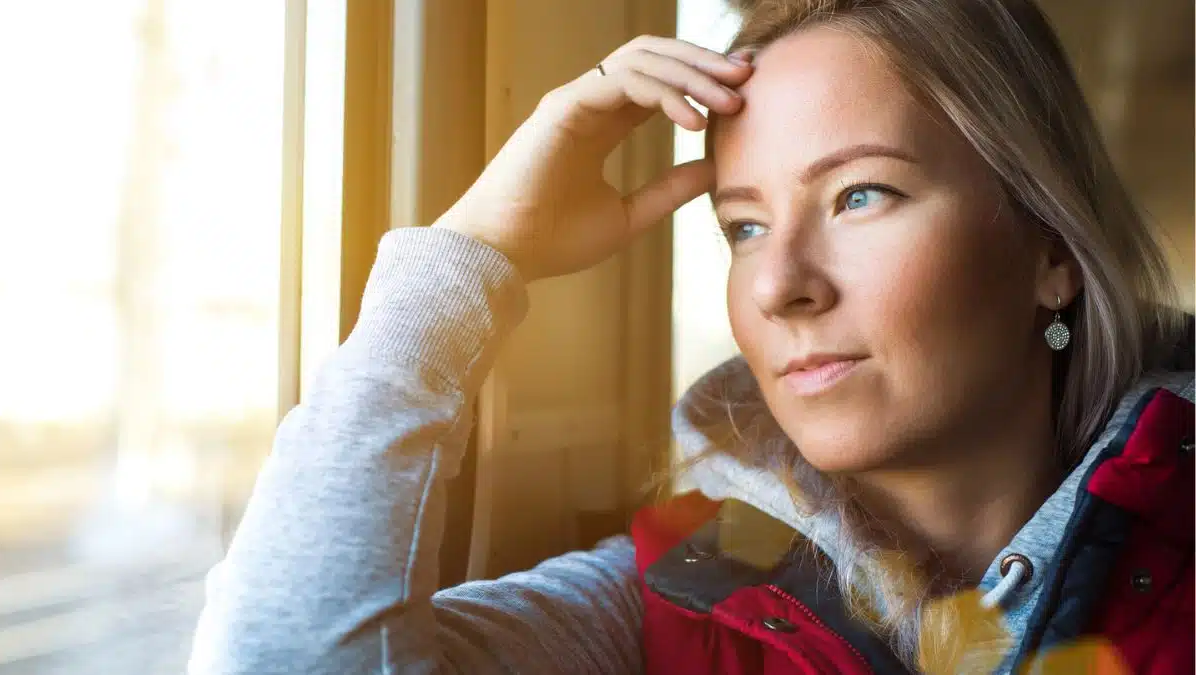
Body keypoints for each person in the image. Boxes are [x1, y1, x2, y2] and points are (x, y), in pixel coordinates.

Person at [188, 0, 1194, 673]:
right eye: (742, 225)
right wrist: (467, 260)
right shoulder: (678, 590)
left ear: (1049, 251)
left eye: (860, 195)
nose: (779, 284)